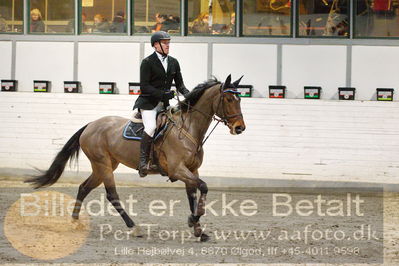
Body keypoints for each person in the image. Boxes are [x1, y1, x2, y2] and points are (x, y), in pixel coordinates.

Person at [133, 31, 190, 177]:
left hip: (164, 105)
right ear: (155, 45)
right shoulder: (147, 62)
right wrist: (162, 94)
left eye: (168, 42)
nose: (167, 45)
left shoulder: (173, 62)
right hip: (148, 104)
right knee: (151, 127)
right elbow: (144, 86)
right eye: (164, 43)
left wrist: (191, 98)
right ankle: (143, 162)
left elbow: (180, 86)